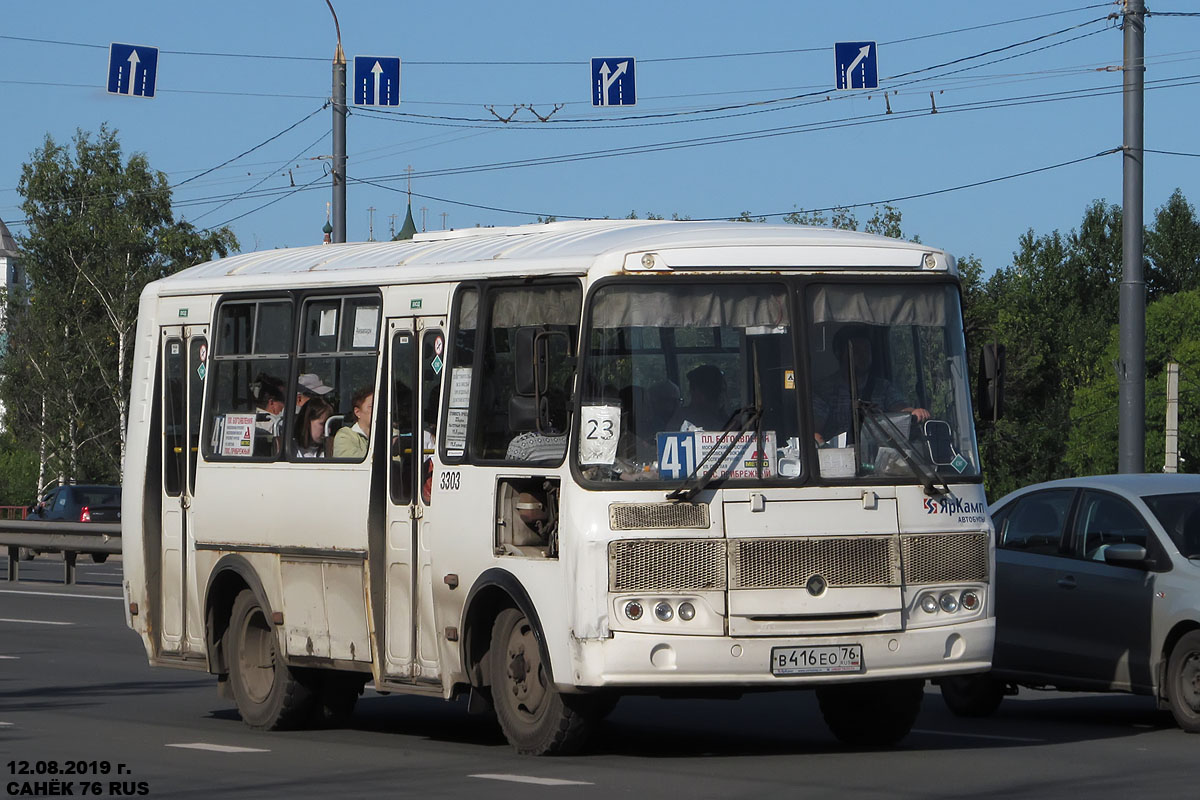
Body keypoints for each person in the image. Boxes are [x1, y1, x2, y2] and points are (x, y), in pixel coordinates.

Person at [812, 327, 930, 445]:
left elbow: (901, 408)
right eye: (857, 351)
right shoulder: (824, 391)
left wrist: (914, 412)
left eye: (866, 350)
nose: (863, 356)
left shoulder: (883, 388)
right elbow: (815, 432)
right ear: (839, 354)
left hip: (880, 459)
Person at [673, 364, 728, 430]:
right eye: (714, 390)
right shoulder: (683, 420)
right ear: (695, 391)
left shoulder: (726, 418)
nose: (720, 395)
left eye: (722, 390)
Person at [332, 387, 374, 459]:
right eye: (371, 406)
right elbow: (351, 462)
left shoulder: (390, 434)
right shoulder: (345, 436)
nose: (377, 410)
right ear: (357, 412)